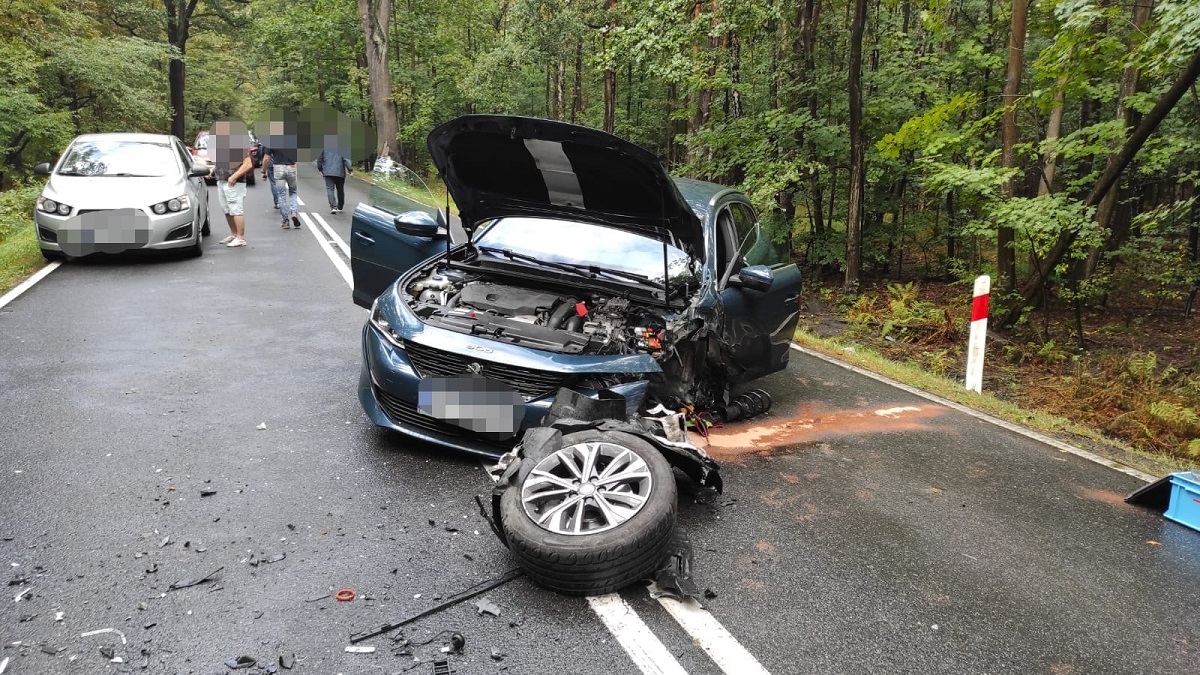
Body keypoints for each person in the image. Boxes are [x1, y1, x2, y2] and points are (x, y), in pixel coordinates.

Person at [209, 121, 255, 247]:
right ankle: (234, 234)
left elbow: (248, 164)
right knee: (227, 209)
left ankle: (240, 237)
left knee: (235, 209)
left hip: (234, 183)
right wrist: (213, 171)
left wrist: (234, 176)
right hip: (221, 180)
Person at [317, 143, 353, 213]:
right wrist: (350, 170)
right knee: (340, 189)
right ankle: (340, 206)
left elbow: (320, 159)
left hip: (328, 172)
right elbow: (346, 159)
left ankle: (333, 207)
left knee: (330, 189)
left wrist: (320, 169)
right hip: (340, 172)